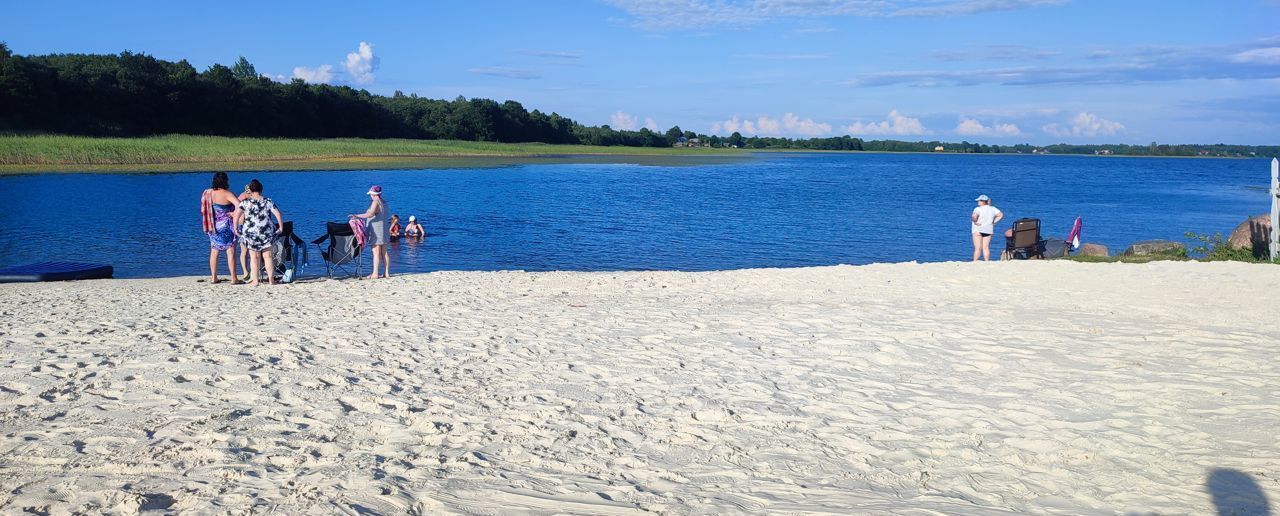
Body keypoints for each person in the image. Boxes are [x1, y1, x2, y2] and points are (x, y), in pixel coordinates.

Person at [235, 179, 284, 286]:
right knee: (268, 257)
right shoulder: (268, 201)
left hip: (251, 233)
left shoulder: (245, 203)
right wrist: (280, 226)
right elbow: (278, 214)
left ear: (250, 190)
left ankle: (256, 281)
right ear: (261, 189)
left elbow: (236, 215)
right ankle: (271, 280)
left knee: (254, 257)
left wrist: (235, 228)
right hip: (266, 232)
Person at [201, 172, 241, 284]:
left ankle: (214, 277)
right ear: (225, 181)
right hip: (226, 226)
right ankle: (234, 278)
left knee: (214, 251)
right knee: (231, 251)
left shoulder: (208, 193)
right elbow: (240, 206)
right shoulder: (228, 194)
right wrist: (233, 213)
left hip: (213, 225)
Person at [350, 185, 390, 279]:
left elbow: (370, 214)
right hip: (384, 229)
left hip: (376, 230)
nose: (370, 196)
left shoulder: (375, 202)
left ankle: (375, 273)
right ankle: (386, 273)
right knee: (384, 252)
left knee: (376, 252)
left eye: (371, 194)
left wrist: (357, 216)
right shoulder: (384, 202)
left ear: (373, 194)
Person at [971, 194, 1004, 261]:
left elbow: (974, 216)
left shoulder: (978, 209)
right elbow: (1000, 215)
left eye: (979, 201)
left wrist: (975, 222)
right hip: (988, 229)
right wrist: (994, 222)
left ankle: (975, 262)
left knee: (977, 248)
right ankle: (987, 261)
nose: (978, 202)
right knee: (986, 248)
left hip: (978, 229)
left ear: (983, 201)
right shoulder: (993, 209)